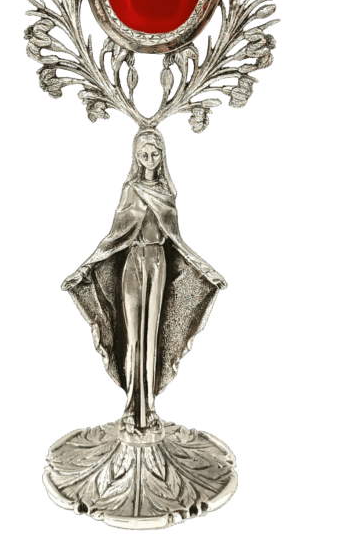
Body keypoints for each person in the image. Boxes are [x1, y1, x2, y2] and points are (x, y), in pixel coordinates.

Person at [60, 127, 227, 434]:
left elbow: (177, 239)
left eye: (154, 154)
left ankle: (148, 406)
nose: (149, 160)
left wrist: (206, 270)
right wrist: (83, 268)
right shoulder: (131, 190)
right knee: (133, 337)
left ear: (163, 155)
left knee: (153, 335)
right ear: (135, 157)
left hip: (158, 263)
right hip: (133, 263)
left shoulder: (167, 193)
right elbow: (113, 237)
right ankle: (130, 406)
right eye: (143, 155)